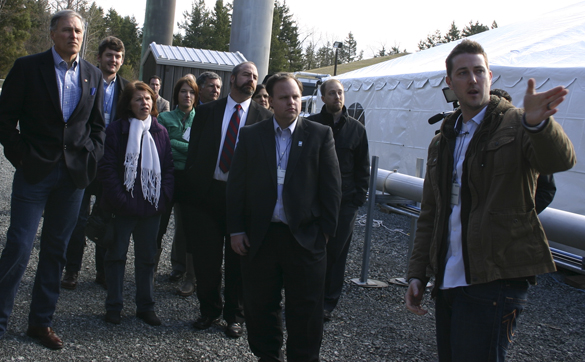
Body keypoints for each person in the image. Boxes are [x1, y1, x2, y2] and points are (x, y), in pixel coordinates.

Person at [405, 39, 576, 361]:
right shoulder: (443, 140)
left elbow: (560, 161)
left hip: (496, 277)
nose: (473, 79)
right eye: (463, 73)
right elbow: (431, 212)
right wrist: (417, 273)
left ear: (490, 76)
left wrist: (539, 124)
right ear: (450, 82)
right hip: (448, 276)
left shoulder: (517, 124)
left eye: (479, 71)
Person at [0, 10, 105, 349]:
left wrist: (91, 158)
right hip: (35, 173)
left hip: (72, 178)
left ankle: (40, 323)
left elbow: (98, 127)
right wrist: (21, 156)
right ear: (52, 33)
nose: (73, 35)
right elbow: (4, 119)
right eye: (66, 30)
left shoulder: (92, 75)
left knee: (56, 252)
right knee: (19, 245)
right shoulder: (28, 68)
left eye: (78, 31)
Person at [227, 73, 342, 361]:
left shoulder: (319, 135)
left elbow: (332, 189)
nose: (291, 102)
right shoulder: (252, 135)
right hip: (261, 238)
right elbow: (236, 186)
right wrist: (236, 229)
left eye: (295, 97)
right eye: (284, 97)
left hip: (304, 239)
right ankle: (268, 356)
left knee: (305, 311)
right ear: (271, 102)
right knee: (260, 307)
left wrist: (324, 234)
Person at [183, 61, 272, 338]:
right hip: (207, 196)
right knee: (206, 261)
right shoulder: (207, 111)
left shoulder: (263, 118)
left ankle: (235, 316)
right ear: (232, 78)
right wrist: (192, 192)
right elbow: (193, 155)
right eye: (246, 74)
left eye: (255, 77)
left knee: (238, 262)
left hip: (242, 202)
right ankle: (209, 310)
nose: (251, 80)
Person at [98, 81, 174, 326]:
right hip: (122, 208)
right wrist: (121, 200)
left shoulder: (160, 132)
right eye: (139, 99)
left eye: (148, 99)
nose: (145, 103)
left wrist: (162, 198)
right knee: (116, 257)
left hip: (151, 208)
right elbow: (107, 169)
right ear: (128, 104)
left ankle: (146, 306)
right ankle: (114, 306)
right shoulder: (116, 130)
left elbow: (168, 169)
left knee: (147, 259)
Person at [61, 36, 129, 291]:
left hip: (111, 164)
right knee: (78, 218)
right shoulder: (84, 80)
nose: (113, 60)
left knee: (106, 217)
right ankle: (72, 269)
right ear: (99, 58)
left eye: (118, 56)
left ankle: (103, 270)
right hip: (84, 159)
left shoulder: (127, 89)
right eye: (109, 55)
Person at [307, 79, 370, 321]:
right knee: (312, 250)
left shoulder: (357, 130)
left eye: (340, 92)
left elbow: (362, 168)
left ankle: (327, 303)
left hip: (345, 204)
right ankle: (308, 297)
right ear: (322, 98)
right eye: (332, 93)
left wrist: (357, 200)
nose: (337, 97)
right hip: (313, 201)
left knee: (336, 254)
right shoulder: (310, 125)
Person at [156, 76, 198, 297]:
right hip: (168, 176)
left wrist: (173, 142)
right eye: (183, 91)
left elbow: (198, 150)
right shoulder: (163, 117)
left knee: (189, 227)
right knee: (159, 224)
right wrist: (185, 146)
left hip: (189, 179)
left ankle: (190, 277)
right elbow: (161, 145)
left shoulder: (200, 119)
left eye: (191, 92)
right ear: (176, 94)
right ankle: (149, 271)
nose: (187, 95)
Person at [489, 88, 557, 215]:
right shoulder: (470, 138)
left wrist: (520, 216)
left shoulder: (527, 140)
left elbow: (547, 189)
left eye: (504, 110)